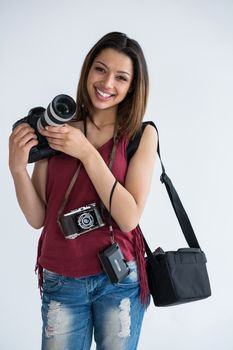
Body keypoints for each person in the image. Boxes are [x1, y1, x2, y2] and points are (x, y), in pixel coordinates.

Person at [9, 32, 158, 350]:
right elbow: (38, 217)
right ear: (87, 69)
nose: (107, 83)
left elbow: (128, 217)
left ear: (132, 86)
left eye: (121, 77)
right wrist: (17, 168)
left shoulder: (141, 135)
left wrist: (87, 152)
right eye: (100, 69)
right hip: (61, 277)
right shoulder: (56, 126)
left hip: (119, 279)